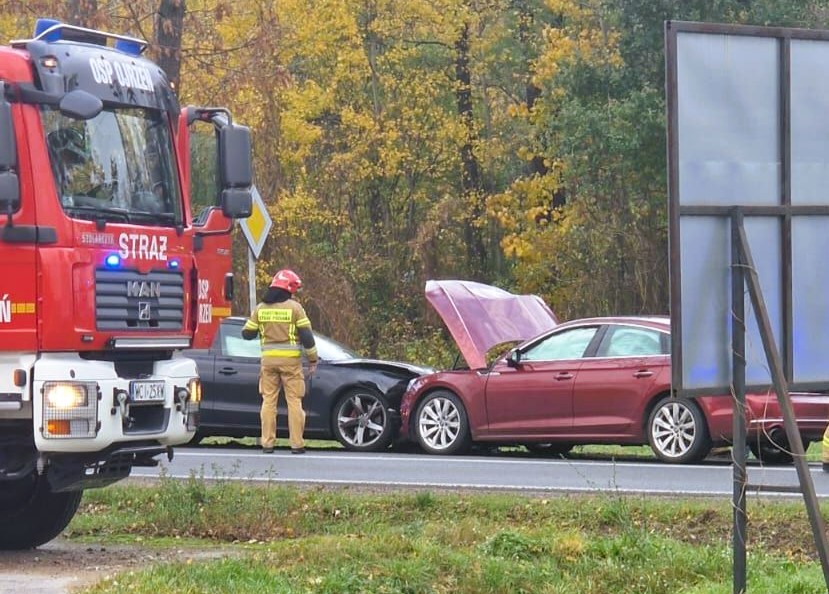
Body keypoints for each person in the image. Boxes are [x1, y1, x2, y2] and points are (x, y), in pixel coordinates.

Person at [242, 269, 318, 454]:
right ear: (288, 288)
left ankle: (267, 443)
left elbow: (247, 334)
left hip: (268, 363)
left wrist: (264, 328)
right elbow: (307, 337)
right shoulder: (295, 308)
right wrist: (313, 360)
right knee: (294, 402)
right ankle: (296, 444)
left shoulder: (260, 308)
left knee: (268, 402)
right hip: (291, 364)